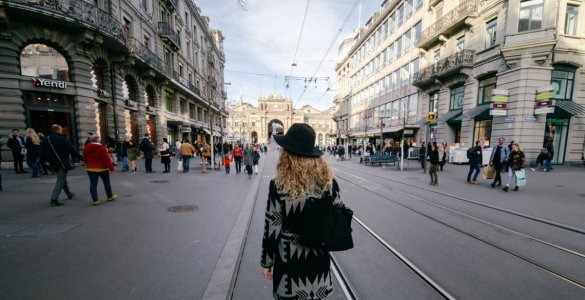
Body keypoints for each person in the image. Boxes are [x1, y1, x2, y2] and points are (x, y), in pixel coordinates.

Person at [261, 123, 341, 300]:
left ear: (287, 154)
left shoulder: (278, 185)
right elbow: (338, 215)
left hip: (290, 263)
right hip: (318, 257)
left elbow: (272, 227)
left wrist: (267, 262)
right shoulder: (329, 183)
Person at [41, 124, 82, 206]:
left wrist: (44, 162)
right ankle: (54, 198)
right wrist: (82, 158)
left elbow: (42, 152)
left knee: (62, 178)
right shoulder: (62, 139)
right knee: (61, 179)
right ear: (58, 130)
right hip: (62, 162)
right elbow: (72, 150)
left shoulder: (46, 139)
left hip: (53, 163)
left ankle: (69, 194)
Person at [83, 135, 117, 206]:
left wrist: (87, 164)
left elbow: (84, 157)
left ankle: (95, 200)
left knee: (93, 184)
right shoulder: (102, 147)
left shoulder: (87, 147)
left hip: (91, 168)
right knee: (106, 183)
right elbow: (106, 159)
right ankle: (110, 196)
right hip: (102, 168)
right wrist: (112, 169)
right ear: (98, 140)